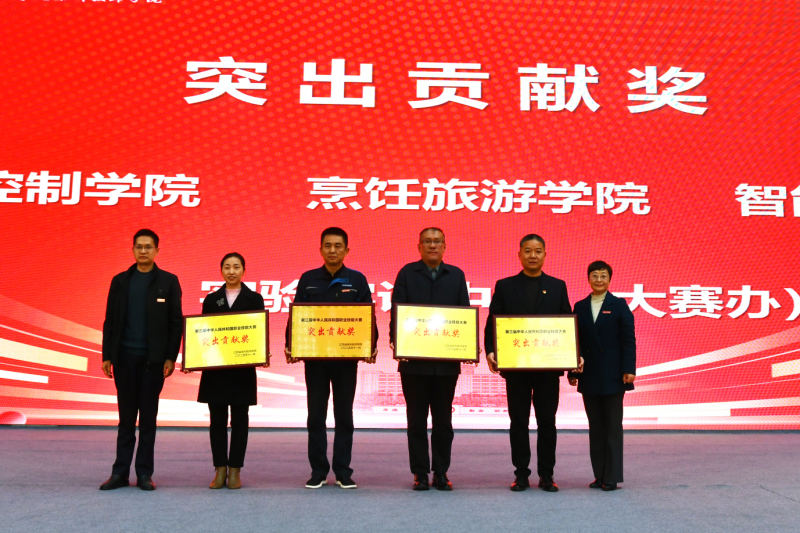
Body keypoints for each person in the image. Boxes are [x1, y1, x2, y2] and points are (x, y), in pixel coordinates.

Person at [284, 227, 377, 490]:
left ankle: (343, 471)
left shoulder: (357, 280)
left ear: (347, 250)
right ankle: (318, 471)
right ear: (321, 249)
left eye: (338, 246)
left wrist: (370, 346)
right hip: (316, 361)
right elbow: (297, 316)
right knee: (315, 416)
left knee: (344, 416)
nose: (333, 250)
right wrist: (291, 345)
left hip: (346, 361)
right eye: (328, 245)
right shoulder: (308, 279)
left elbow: (367, 316)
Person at [485, 234, 573, 492]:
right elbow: (493, 321)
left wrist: (572, 355)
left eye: (538, 251)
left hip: (547, 368)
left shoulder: (557, 286)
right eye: (527, 250)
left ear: (545, 254)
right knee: (518, 422)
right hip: (517, 367)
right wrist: (490, 351)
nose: (532, 255)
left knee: (547, 422)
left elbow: (566, 324)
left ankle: (546, 474)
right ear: (519, 255)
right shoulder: (505, 286)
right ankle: (521, 474)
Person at [99, 229, 183, 491]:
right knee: (126, 420)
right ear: (133, 250)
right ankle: (119, 473)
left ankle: (145, 473)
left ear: (157, 250)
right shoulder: (120, 281)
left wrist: (170, 357)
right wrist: (107, 355)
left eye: (148, 246)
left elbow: (175, 323)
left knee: (147, 419)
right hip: (124, 359)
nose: (143, 251)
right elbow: (110, 320)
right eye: (138, 246)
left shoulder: (168, 281)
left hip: (153, 362)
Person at [389, 227, 470, 491]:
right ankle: (420, 472)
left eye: (437, 241)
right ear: (419, 246)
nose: (432, 245)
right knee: (416, 421)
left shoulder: (456, 275)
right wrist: (396, 340)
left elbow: (464, 315)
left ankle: (441, 472)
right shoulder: (407, 273)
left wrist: (467, 346)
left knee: (443, 422)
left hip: (446, 365)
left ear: (445, 246)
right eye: (427, 241)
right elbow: (397, 312)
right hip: (414, 364)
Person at [184, 253, 267, 490]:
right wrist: (193, 357)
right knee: (217, 421)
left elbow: (257, 332)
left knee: (240, 420)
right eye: (227, 267)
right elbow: (204, 333)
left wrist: (261, 352)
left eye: (236, 267)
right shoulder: (212, 299)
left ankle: (236, 469)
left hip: (242, 369)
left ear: (244, 270)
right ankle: (220, 468)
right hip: (216, 369)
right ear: (221, 270)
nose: (232, 271)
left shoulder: (255, 298)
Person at [568, 261, 636, 491]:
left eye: (603, 276)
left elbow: (628, 340)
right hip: (589, 375)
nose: (599, 280)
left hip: (614, 375)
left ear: (610, 279)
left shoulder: (619, 305)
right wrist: (572, 369)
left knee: (612, 427)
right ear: (588, 278)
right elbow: (574, 341)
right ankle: (599, 475)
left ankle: (612, 476)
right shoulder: (579, 306)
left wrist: (629, 369)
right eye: (594, 275)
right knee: (595, 427)